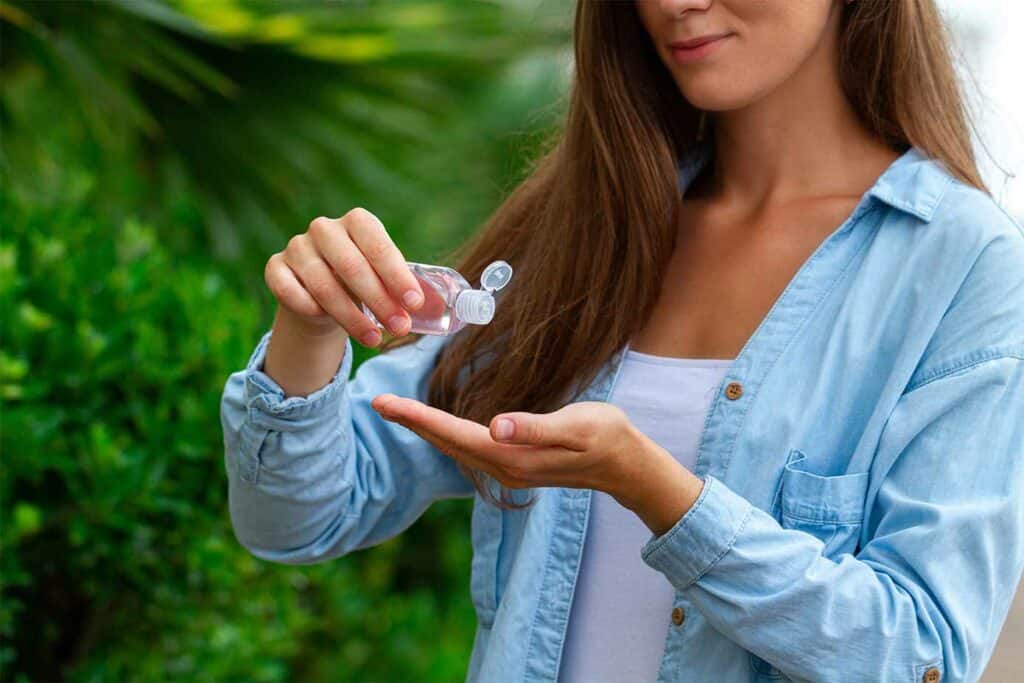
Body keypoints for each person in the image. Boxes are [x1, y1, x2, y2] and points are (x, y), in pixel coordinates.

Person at [220, 0, 1024, 680]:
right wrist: (309, 326)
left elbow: (924, 650)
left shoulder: (962, 265)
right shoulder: (594, 222)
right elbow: (296, 518)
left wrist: (656, 489)